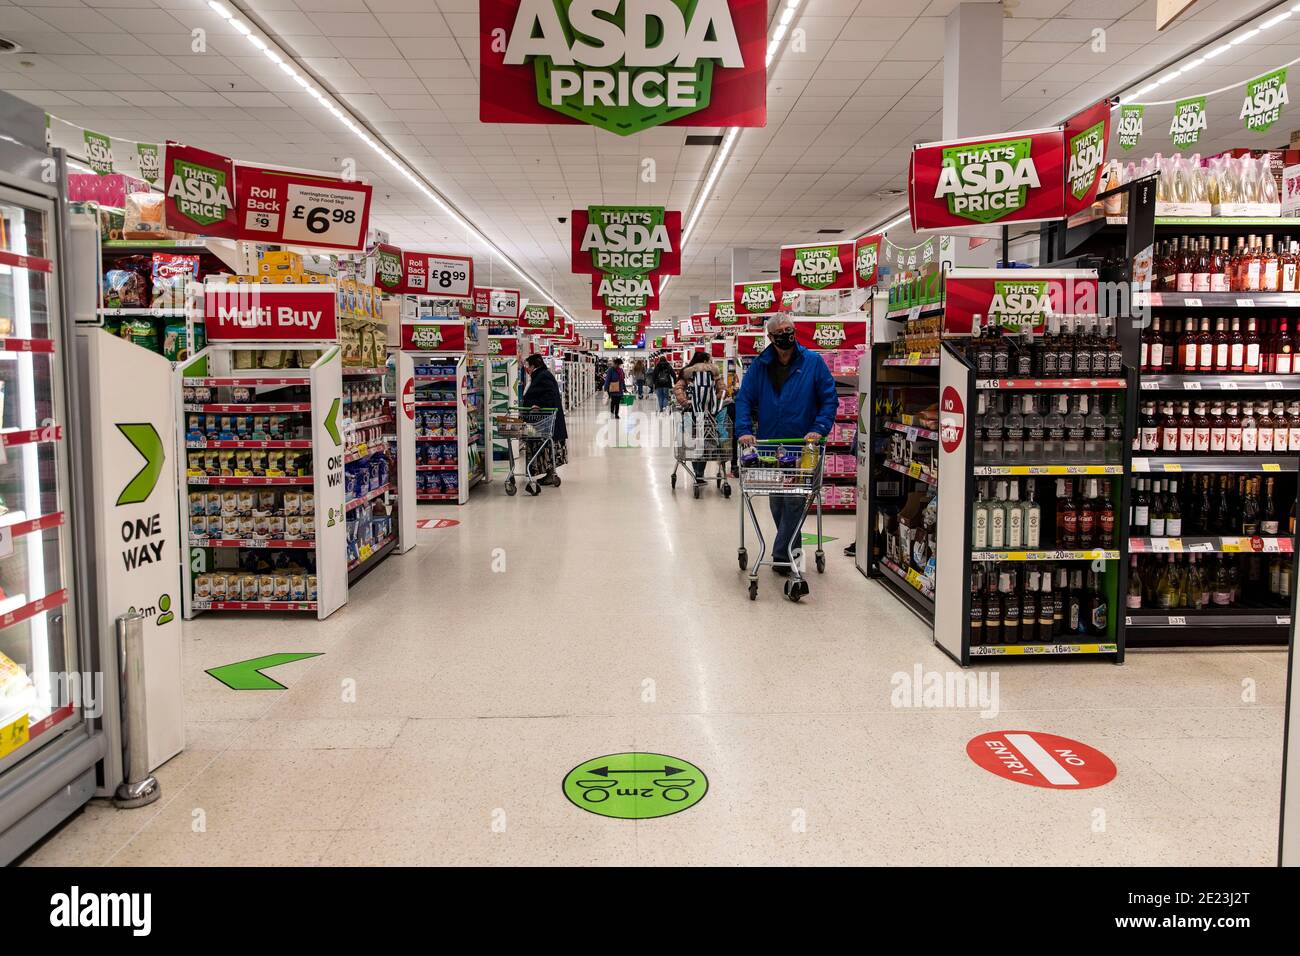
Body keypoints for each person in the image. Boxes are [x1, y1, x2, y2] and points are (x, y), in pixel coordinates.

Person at [735, 314, 838, 576]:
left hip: (803, 446)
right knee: (777, 501)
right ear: (770, 337)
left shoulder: (813, 362)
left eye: (789, 329)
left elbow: (829, 399)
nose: (786, 334)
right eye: (780, 331)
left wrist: (819, 428)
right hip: (771, 446)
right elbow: (745, 399)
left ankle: (782, 555)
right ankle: (793, 549)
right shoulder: (760, 365)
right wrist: (744, 430)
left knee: (795, 500)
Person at [673, 351, 725, 487]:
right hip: (709, 414)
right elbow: (723, 389)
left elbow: (677, 388)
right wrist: (714, 401)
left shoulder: (687, 372)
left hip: (691, 413)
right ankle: (699, 474)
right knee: (706, 443)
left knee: (694, 441)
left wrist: (686, 402)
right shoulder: (714, 373)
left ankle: (698, 473)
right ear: (706, 360)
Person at [521, 354, 568, 484]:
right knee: (545, 446)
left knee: (546, 446)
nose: (527, 369)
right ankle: (550, 473)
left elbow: (550, 396)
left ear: (533, 365)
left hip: (546, 421)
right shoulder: (541, 375)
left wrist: (538, 405)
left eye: (527, 366)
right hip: (543, 420)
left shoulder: (543, 376)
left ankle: (550, 474)